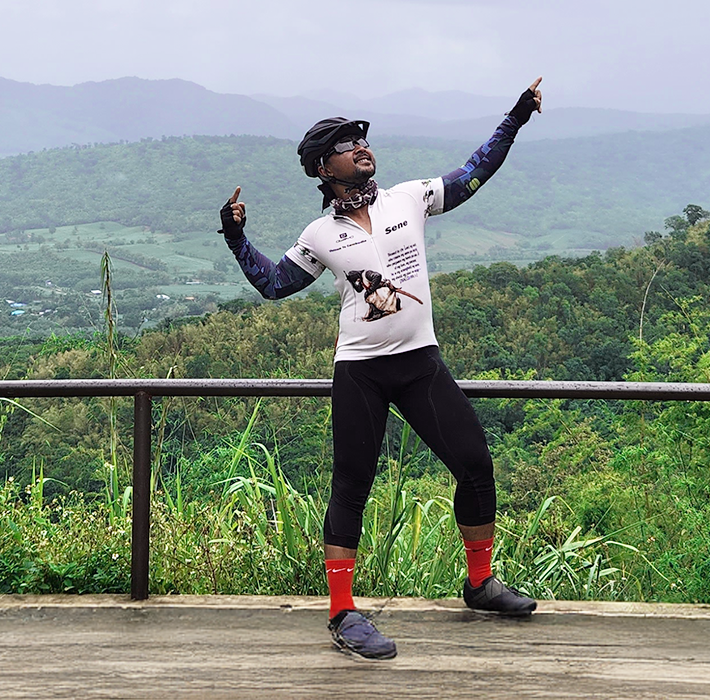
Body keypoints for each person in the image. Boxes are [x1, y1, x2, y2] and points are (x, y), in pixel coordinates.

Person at [218, 79, 545, 660]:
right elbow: (275, 284)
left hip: (420, 364)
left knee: (474, 464)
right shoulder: (321, 234)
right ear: (323, 168)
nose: (361, 147)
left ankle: (480, 584)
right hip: (362, 372)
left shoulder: (409, 198)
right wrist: (237, 237)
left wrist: (515, 118)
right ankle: (342, 613)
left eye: (362, 140)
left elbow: (474, 173)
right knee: (352, 485)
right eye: (346, 144)